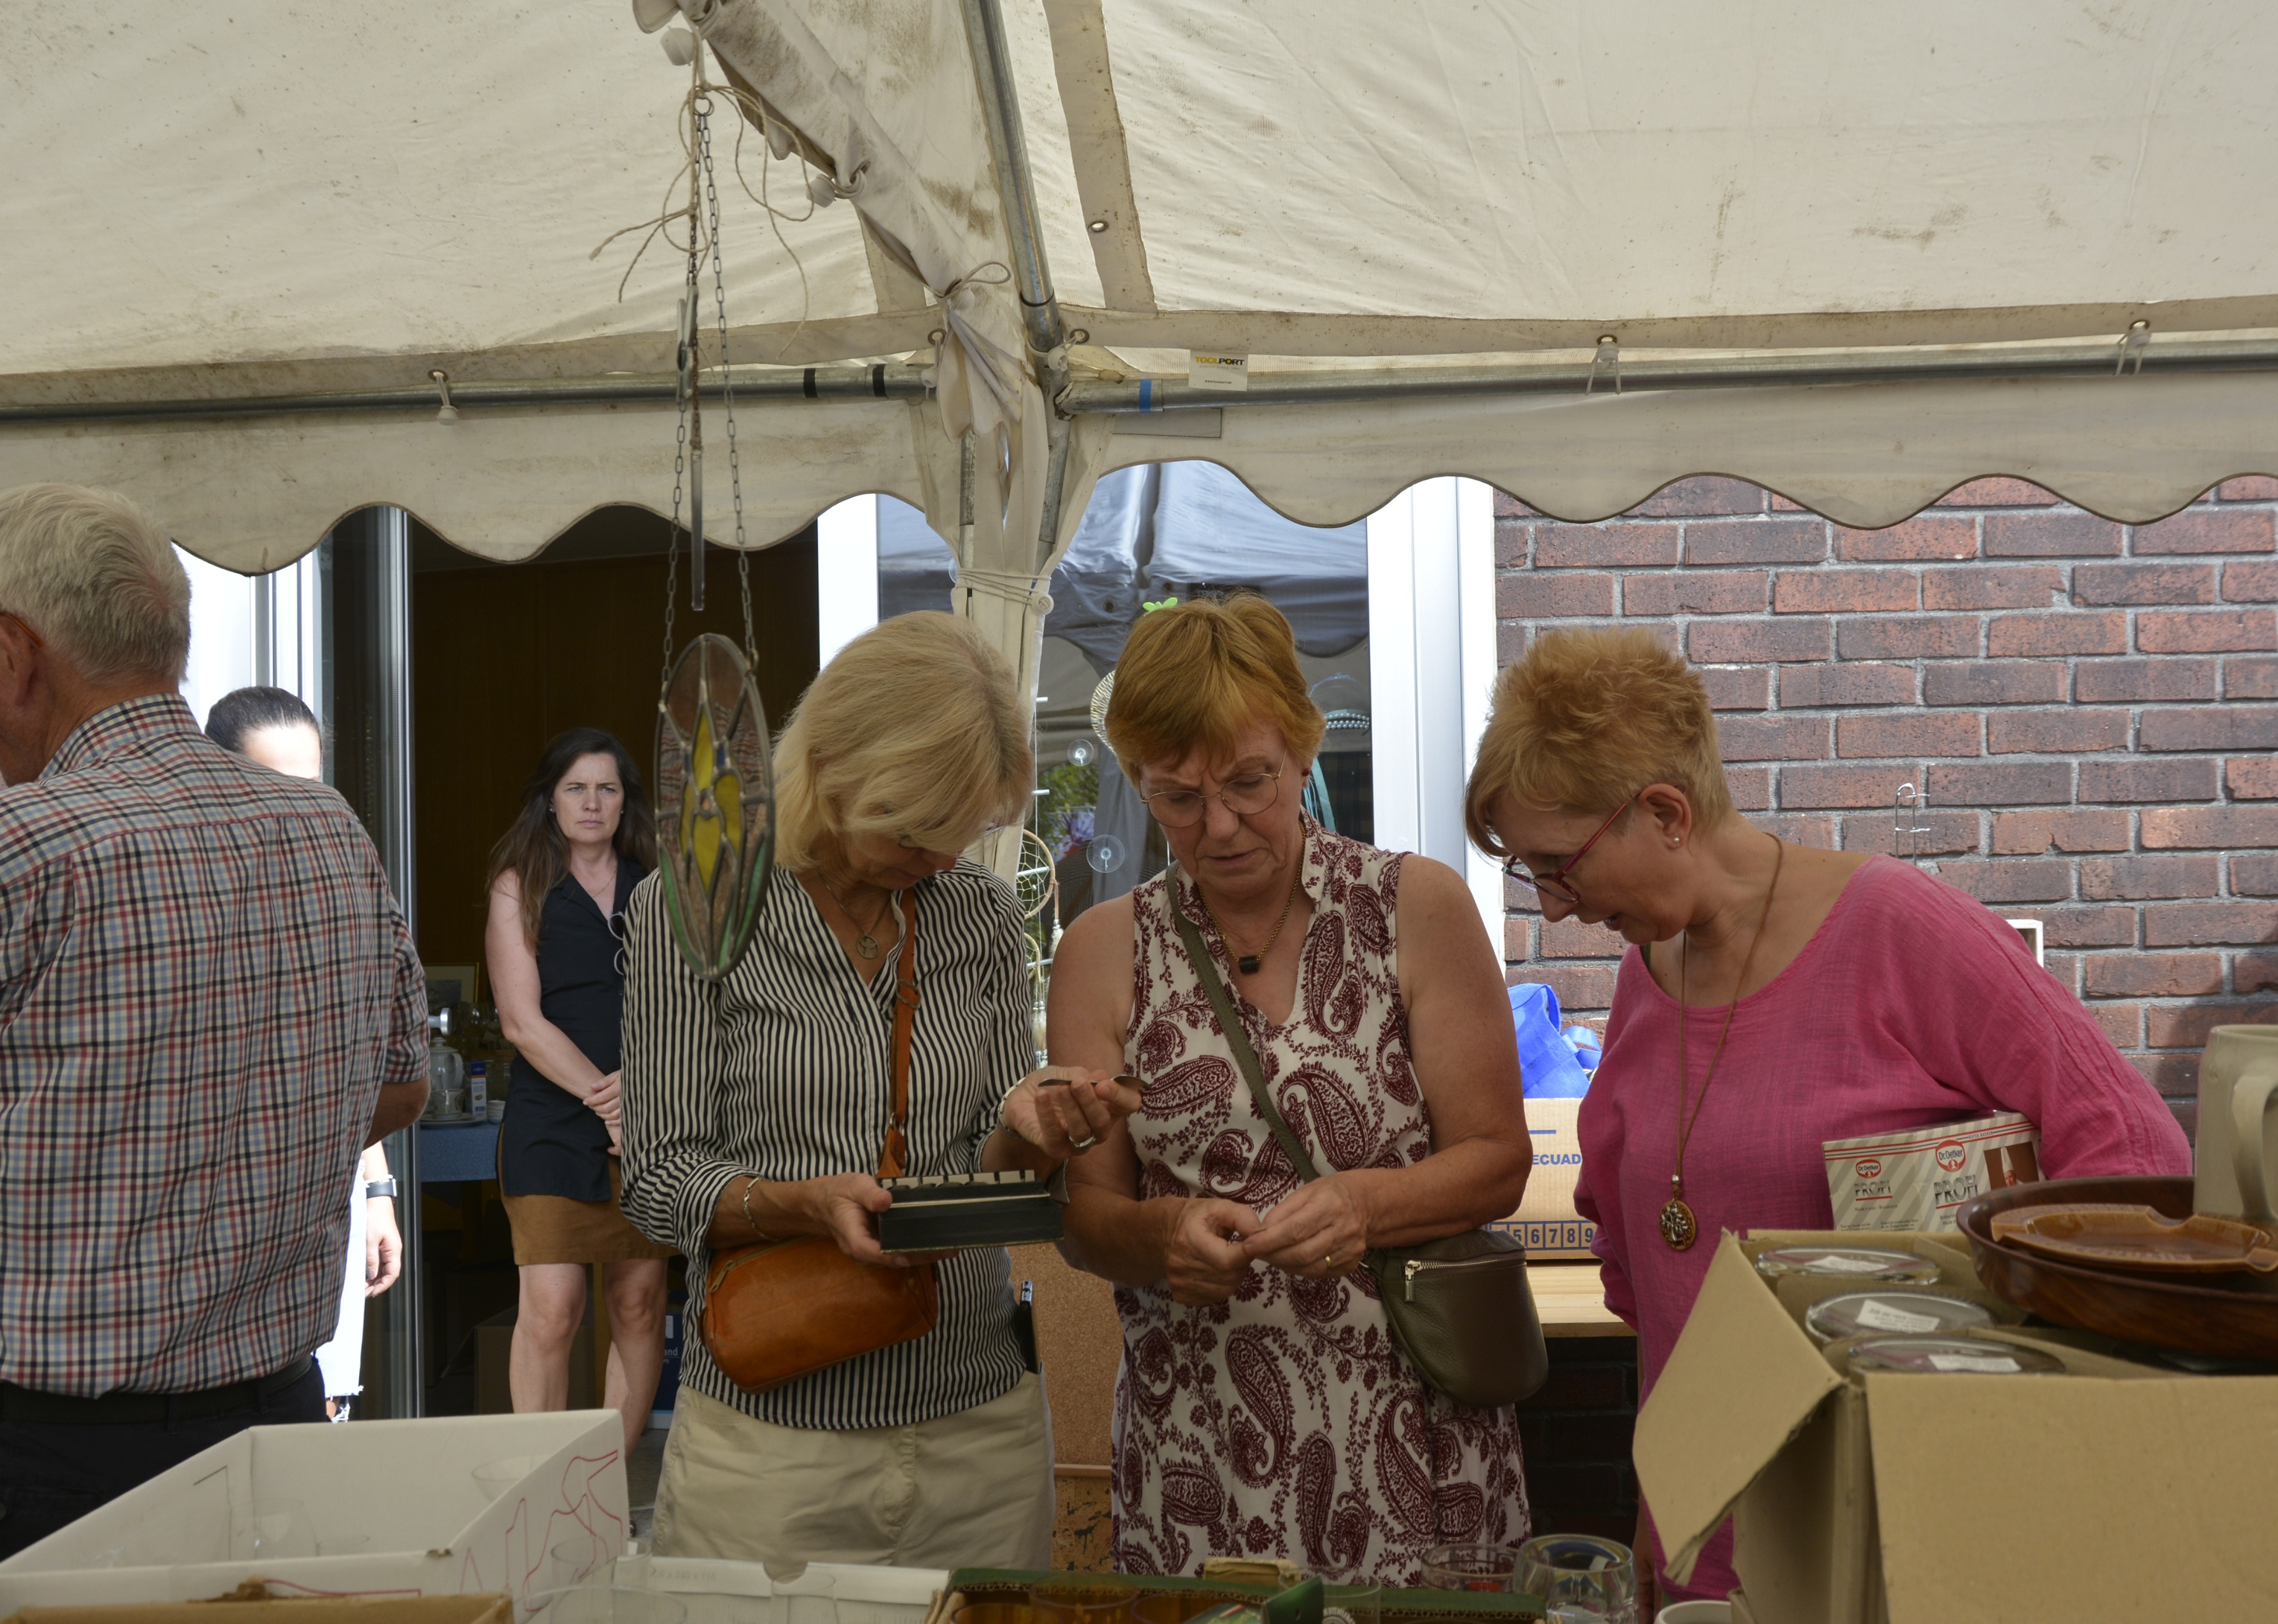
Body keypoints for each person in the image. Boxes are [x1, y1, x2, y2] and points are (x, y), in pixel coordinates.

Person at [1465, 626, 2192, 1600]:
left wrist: (2026, 1355)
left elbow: (2133, 1148)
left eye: (1559, 865)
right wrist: (1657, 1495)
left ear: (1665, 813)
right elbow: (1653, 1274)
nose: (1552, 907)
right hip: (1705, 1527)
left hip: (1891, 1521)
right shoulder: (1648, 974)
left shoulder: (1899, 928)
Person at [622, 612, 1136, 1570]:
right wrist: (804, 1204)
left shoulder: (979, 914)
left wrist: (1030, 1130)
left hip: (981, 1429)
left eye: (960, 836)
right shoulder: (695, 906)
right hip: (770, 1446)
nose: (936, 862)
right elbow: (657, 1180)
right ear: (832, 768)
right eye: (912, 832)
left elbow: (988, 1165)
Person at [1050, 594, 1534, 1584]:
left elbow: (1497, 1161)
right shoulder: (1102, 951)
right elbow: (1083, 1215)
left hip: (1415, 1432)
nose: (1220, 824)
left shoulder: (1414, 907)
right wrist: (1160, 1236)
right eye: (1177, 797)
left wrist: (1367, 1204)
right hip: (1200, 1450)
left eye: (1248, 780)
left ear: (1304, 748)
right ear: (1137, 781)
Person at [0, 484, 427, 1556]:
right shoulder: (327, 826)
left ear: (14, 655)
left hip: (44, 1453)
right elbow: (403, 1082)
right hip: (274, 1425)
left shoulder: (23, 846)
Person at [205, 685, 404, 1421]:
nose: (296, 805)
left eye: (311, 785)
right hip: (221, 1204)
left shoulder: (340, 880)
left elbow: (364, 1055)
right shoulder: (191, 884)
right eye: (271, 782)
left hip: (324, 1192)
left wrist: (376, 1189)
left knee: (325, 1407)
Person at [486, 729, 669, 1451]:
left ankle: (605, 1480)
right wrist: (610, 1100)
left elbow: (694, 1004)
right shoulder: (519, 884)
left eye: (607, 788)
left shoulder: (661, 885)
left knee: (639, 1301)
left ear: (626, 802)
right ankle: (544, 1487)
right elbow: (521, 1022)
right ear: (551, 800)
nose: (592, 803)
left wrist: (644, 1093)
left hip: (651, 1117)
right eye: (576, 788)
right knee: (554, 1308)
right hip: (552, 1124)